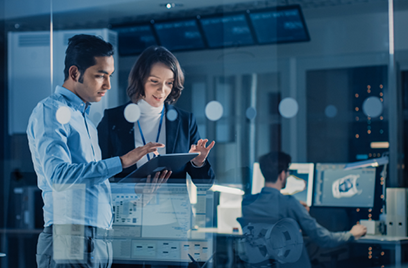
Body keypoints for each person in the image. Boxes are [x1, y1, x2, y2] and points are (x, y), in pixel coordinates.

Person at [27, 34, 170, 268]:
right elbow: (58, 177)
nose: (108, 85)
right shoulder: (50, 111)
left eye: (110, 76)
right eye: (100, 75)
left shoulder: (85, 122)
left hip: (98, 239)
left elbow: (89, 186)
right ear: (75, 73)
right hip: (70, 236)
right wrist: (122, 161)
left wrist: (136, 193)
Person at [97, 46, 215, 183]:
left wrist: (198, 162)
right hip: (129, 203)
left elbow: (205, 185)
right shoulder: (113, 119)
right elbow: (98, 172)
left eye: (169, 83)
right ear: (140, 80)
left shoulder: (185, 121)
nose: (162, 90)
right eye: (154, 81)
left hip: (173, 204)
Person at [241, 152, 367, 268]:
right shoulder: (289, 203)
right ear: (282, 174)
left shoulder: (247, 203)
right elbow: (322, 238)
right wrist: (351, 234)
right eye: (288, 171)